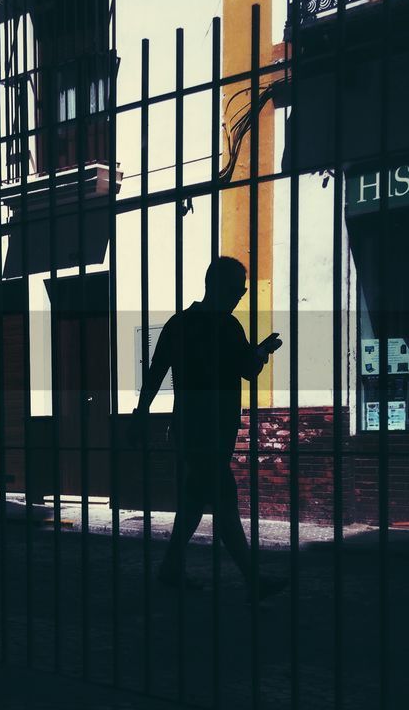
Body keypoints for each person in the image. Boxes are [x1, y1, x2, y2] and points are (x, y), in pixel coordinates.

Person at [130, 256, 288, 600]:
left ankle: (171, 567)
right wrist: (262, 351)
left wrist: (140, 413)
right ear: (216, 286)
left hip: (190, 426)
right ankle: (252, 577)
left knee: (193, 503)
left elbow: (155, 372)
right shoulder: (227, 327)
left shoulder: (180, 324)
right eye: (237, 289)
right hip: (212, 429)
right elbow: (248, 369)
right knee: (225, 501)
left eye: (242, 290)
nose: (240, 296)